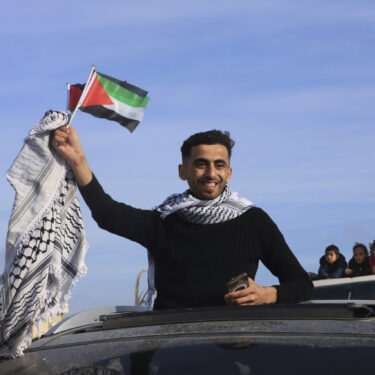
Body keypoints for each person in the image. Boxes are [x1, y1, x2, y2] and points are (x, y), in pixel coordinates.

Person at [53, 126, 313, 309]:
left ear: (229, 173)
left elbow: (302, 285)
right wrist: (78, 161)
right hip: (169, 350)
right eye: (201, 164)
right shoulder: (164, 222)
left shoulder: (254, 220)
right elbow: (107, 214)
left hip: (234, 351)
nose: (211, 173)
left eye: (219, 165)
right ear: (183, 171)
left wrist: (268, 294)